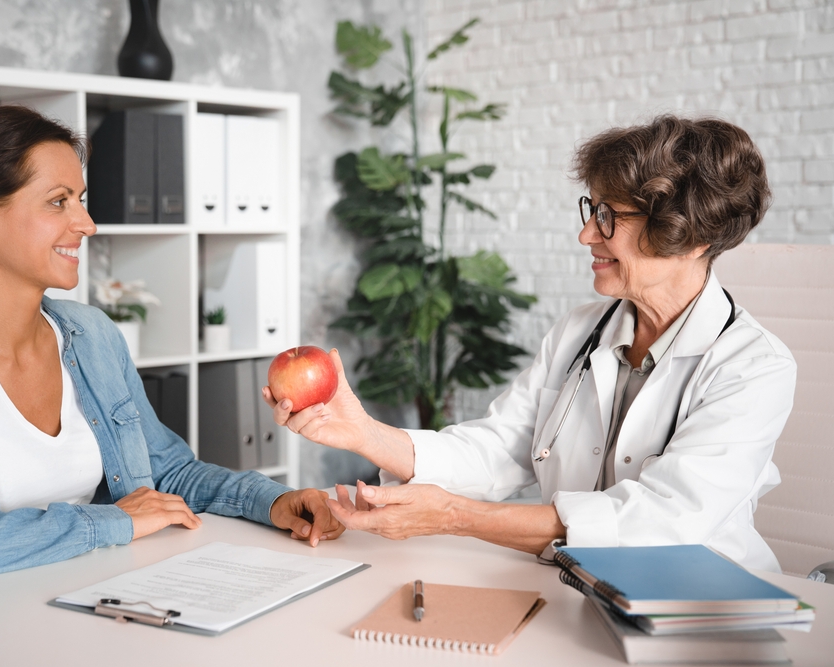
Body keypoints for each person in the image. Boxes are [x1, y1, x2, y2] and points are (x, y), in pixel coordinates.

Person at [265, 115, 795, 572]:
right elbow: (499, 448)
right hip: (576, 589)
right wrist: (364, 433)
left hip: (699, 608)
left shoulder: (753, 367)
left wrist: (453, 516)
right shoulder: (580, 332)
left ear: (688, 234)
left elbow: (662, 521)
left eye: (608, 216)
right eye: (591, 210)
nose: (587, 234)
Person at [0, 105, 343, 584]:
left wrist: (273, 501)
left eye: (81, 200)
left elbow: (166, 473)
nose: (86, 224)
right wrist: (113, 523)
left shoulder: (93, 336)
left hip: (98, 602)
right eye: (58, 201)